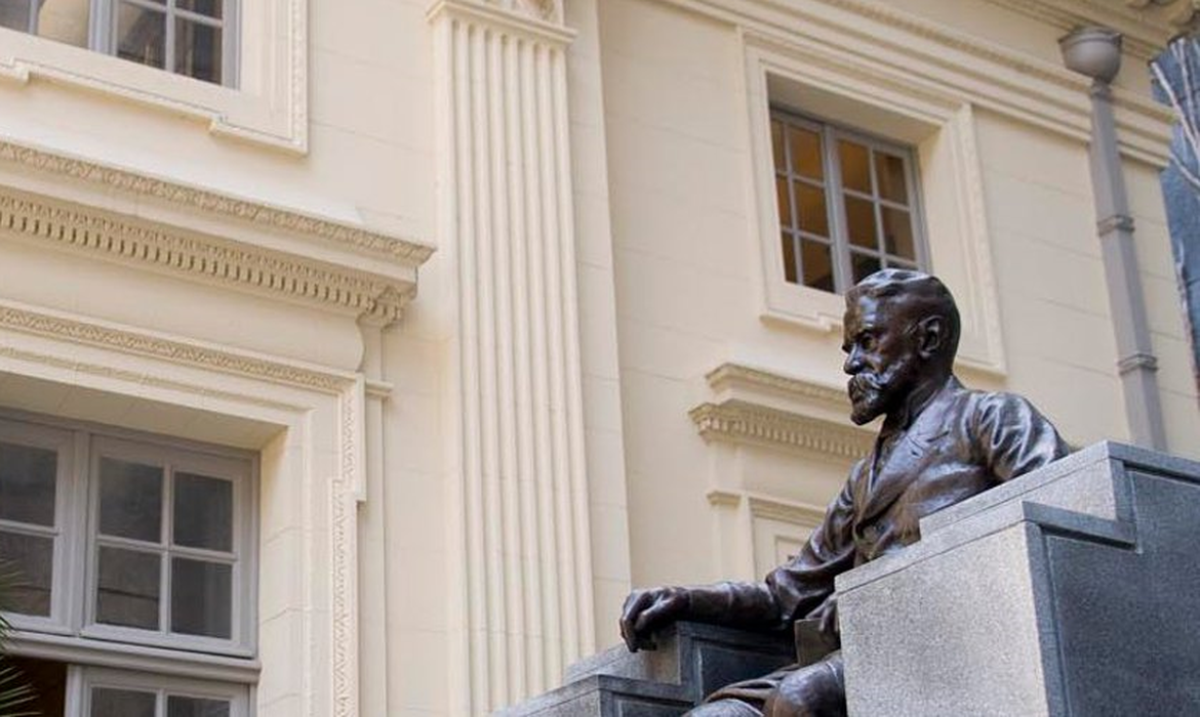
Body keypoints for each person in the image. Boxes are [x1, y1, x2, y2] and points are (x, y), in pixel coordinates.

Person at [618, 270, 1069, 717]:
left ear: (929, 338)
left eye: (867, 342)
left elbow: (1059, 517)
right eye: (848, 348)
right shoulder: (864, 477)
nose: (851, 364)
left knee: (801, 699)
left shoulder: (990, 418)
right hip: (857, 654)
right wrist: (688, 599)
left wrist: (881, 585)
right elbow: (786, 596)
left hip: (950, 640)